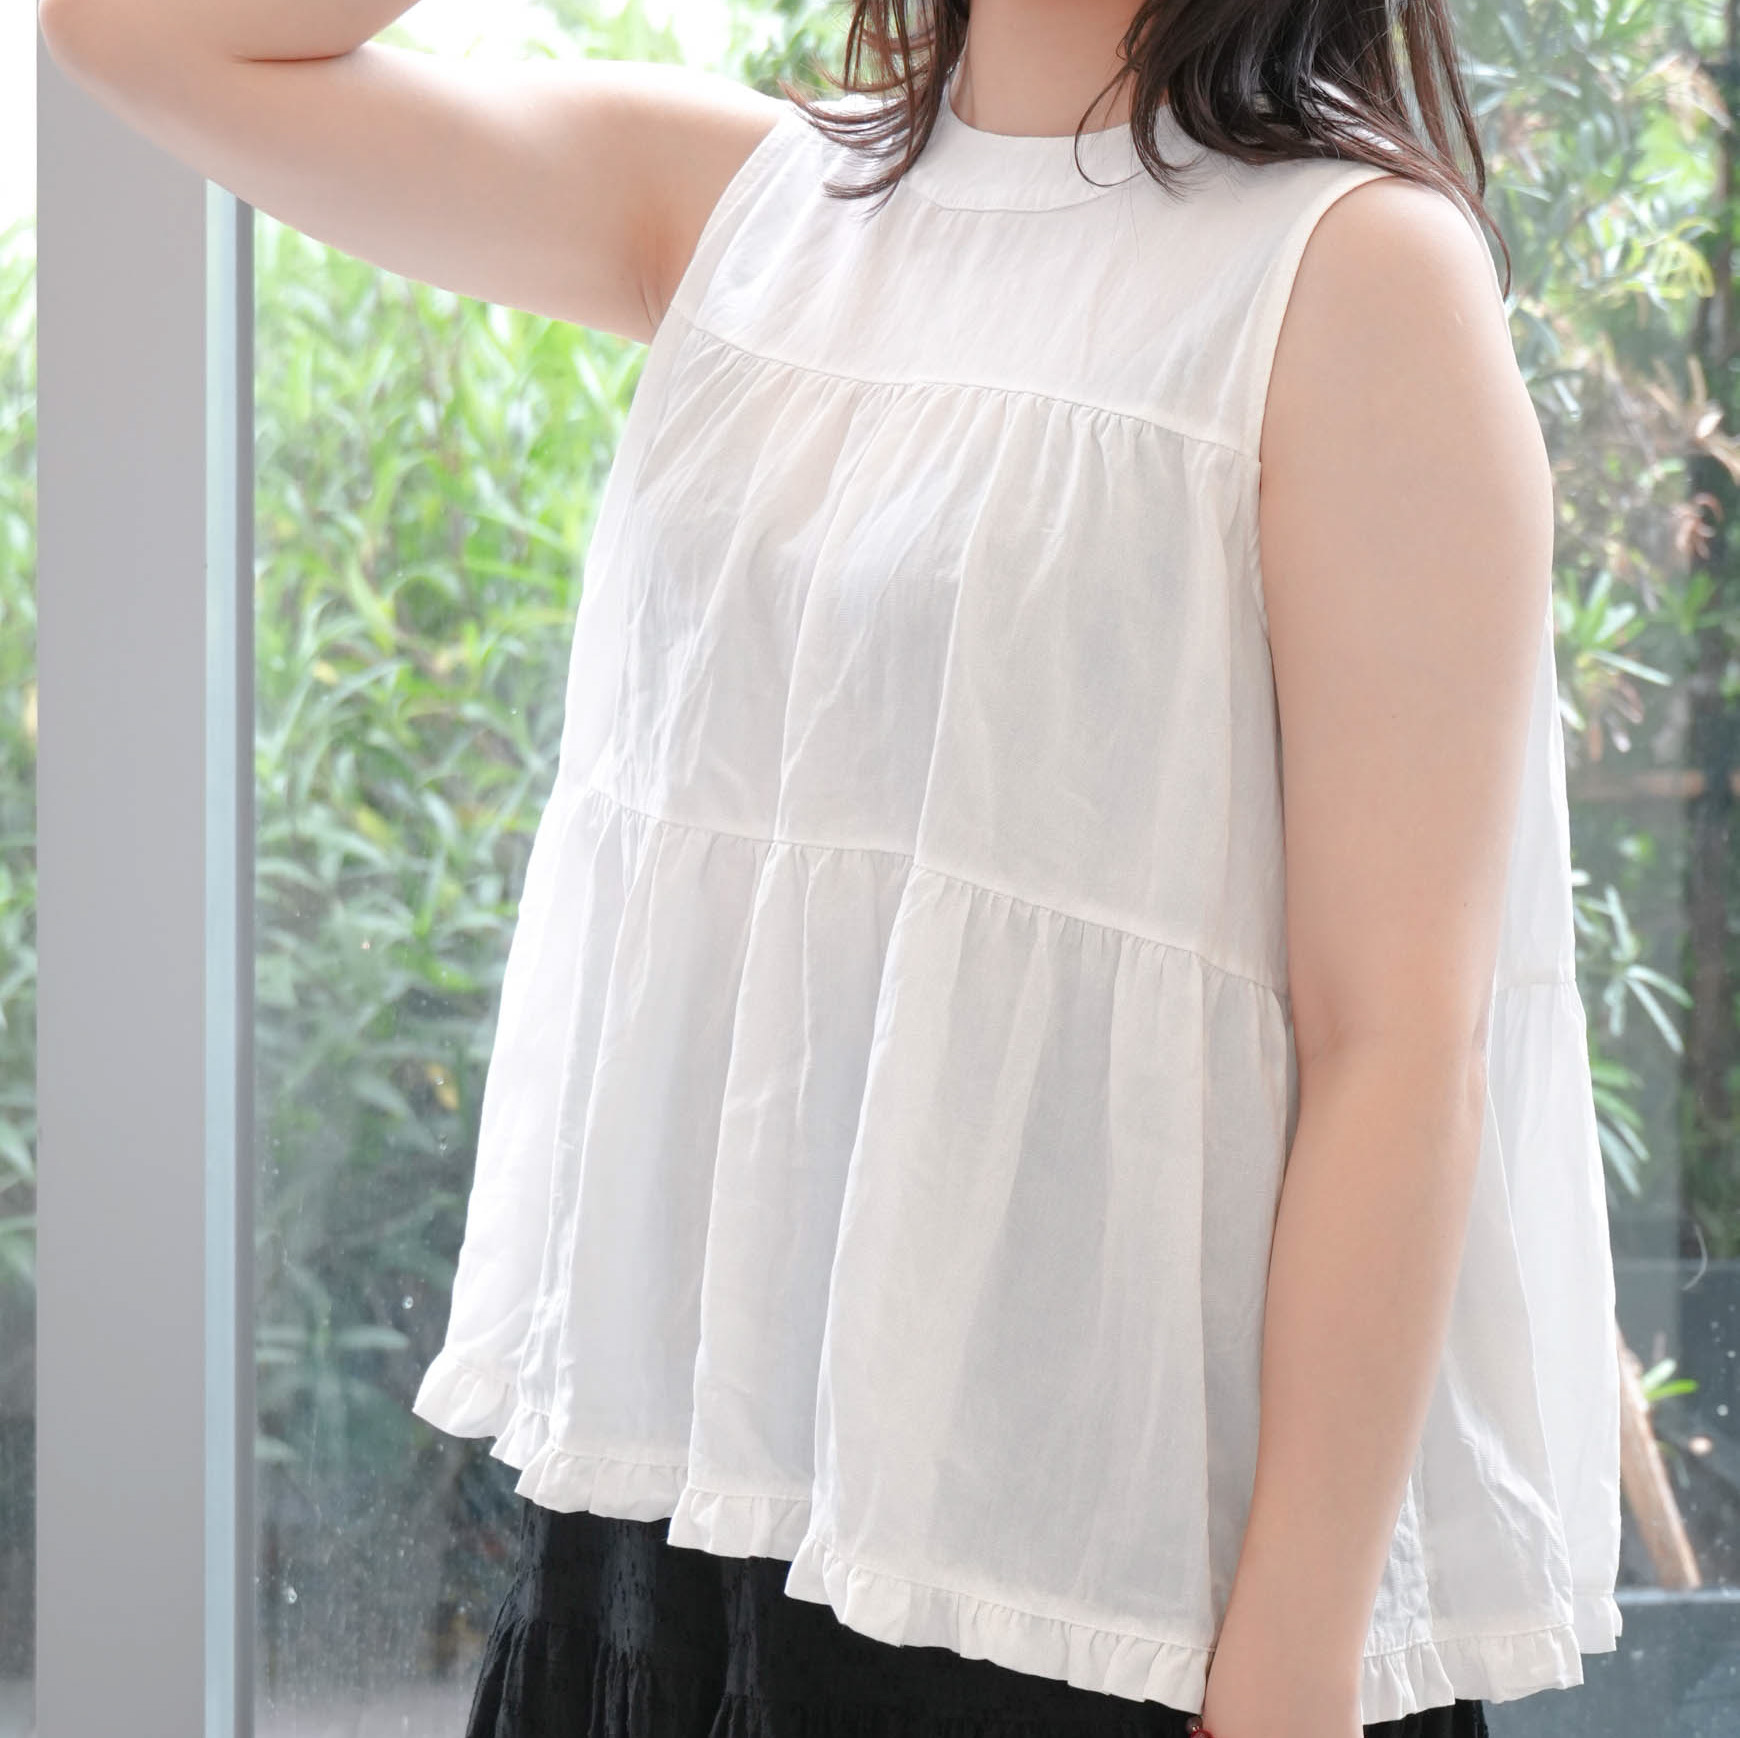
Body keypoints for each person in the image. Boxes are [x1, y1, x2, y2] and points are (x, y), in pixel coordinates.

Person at [38, 1, 1624, 1735]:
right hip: (679, 1519)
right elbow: (136, 36)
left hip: (1093, 1598)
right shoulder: (745, 200)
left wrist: (1294, 1663)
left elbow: (1396, 1037)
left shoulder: (1355, 276)